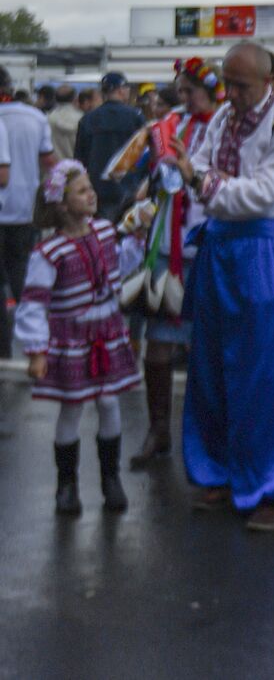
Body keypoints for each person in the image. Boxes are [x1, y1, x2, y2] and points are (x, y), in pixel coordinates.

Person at [172, 41, 274, 531]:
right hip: (222, 249)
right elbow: (196, 164)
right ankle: (222, 471)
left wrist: (203, 180)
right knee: (214, 366)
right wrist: (205, 178)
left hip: (266, 253)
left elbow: (260, 195)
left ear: (269, 81)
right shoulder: (222, 119)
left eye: (239, 85)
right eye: (227, 82)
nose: (229, 92)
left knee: (271, 374)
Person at [18, 160, 139, 514]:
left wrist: (139, 239)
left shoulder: (104, 231)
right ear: (62, 204)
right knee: (72, 407)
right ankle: (67, 484)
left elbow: (120, 264)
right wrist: (36, 350)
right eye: (82, 191)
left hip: (106, 329)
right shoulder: (49, 253)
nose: (92, 195)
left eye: (90, 188)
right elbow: (33, 303)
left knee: (109, 402)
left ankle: (110, 478)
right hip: (72, 339)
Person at [126, 58, 223, 468]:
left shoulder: (226, 125)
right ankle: (158, 430)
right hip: (167, 245)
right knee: (158, 343)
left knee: (211, 347)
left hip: (209, 245)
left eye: (189, 91)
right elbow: (152, 175)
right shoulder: (169, 126)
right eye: (178, 91)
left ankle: (211, 439)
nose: (181, 99)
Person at [0, 65, 57, 358]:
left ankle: (3, 346)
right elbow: (49, 160)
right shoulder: (35, 117)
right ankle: (31, 340)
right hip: (25, 207)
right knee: (22, 272)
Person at [75, 72, 145, 222]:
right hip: (129, 188)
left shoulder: (88, 119)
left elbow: (80, 159)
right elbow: (143, 155)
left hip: (98, 190)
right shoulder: (135, 117)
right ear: (121, 90)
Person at [47, 85, 84, 160]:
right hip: (77, 165)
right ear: (75, 98)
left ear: (55, 98)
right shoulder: (82, 118)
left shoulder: (47, 119)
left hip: (55, 166)